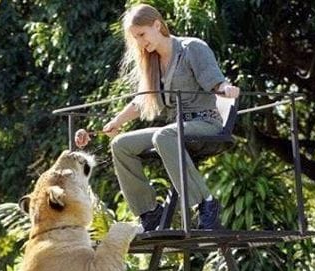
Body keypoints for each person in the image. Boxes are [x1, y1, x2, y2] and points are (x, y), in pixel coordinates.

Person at [75, 3, 240, 232]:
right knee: (121, 145)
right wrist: (116, 122)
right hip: (176, 128)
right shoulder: (152, 62)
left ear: (157, 24)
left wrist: (225, 88)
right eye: (136, 38)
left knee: (164, 135)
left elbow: (214, 80)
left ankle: (206, 204)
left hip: (206, 123)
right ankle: (150, 214)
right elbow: (142, 102)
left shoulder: (192, 48)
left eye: (142, 34)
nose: (141, 43)